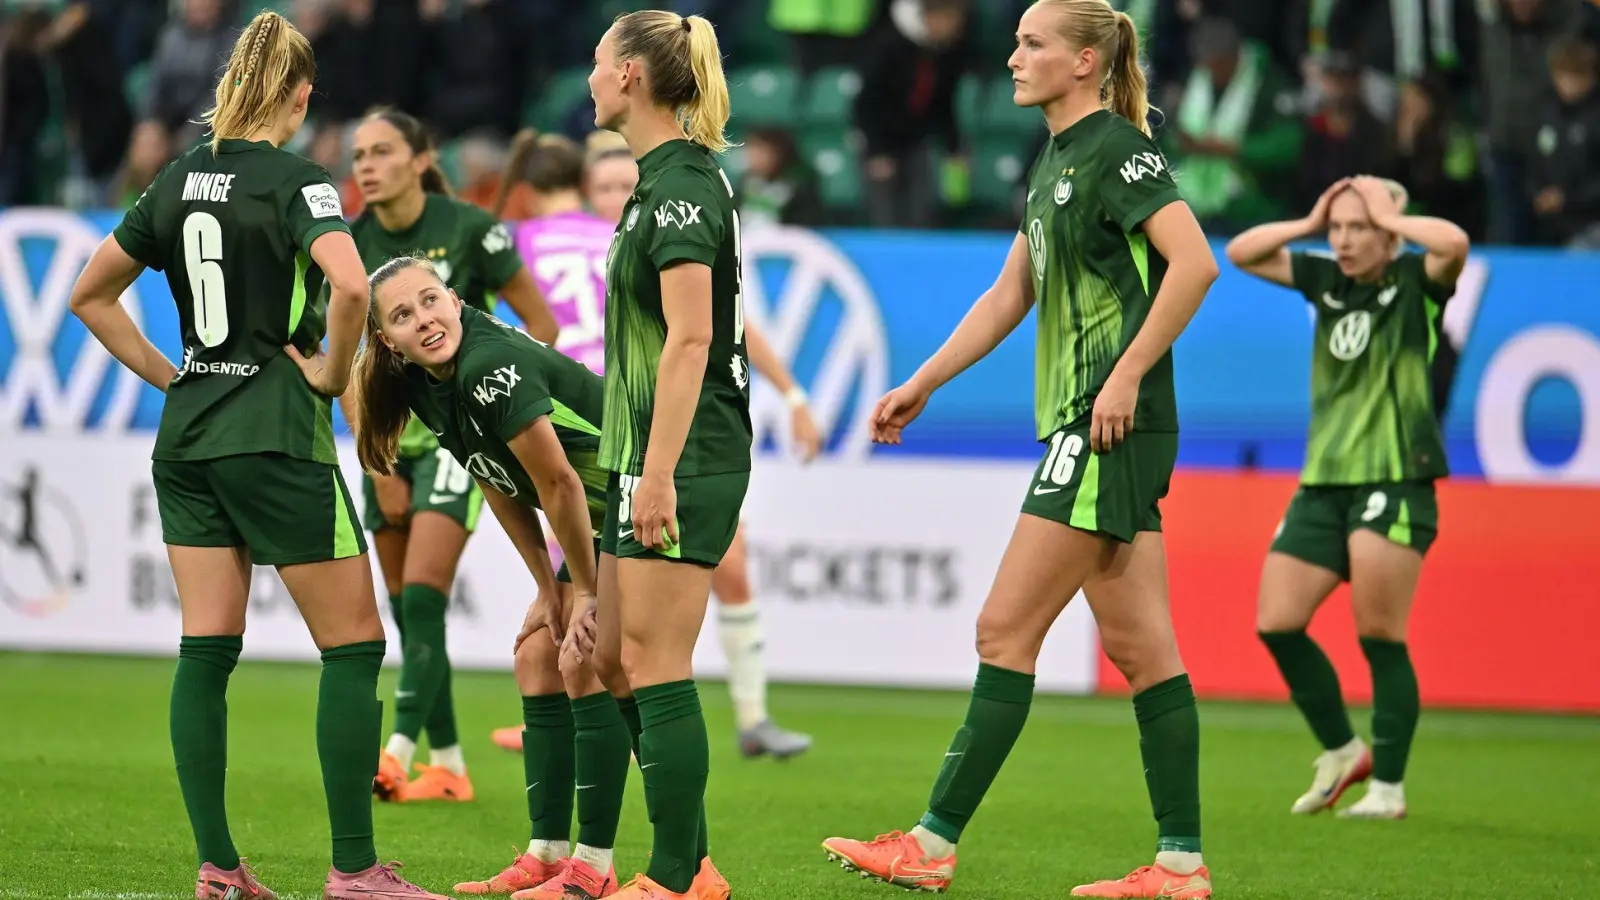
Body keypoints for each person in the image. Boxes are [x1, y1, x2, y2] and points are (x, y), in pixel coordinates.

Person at [820, 2, 1220, 897]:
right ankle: (1180, 865)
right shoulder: (1057, 160)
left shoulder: (1118, 150)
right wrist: (925, 380)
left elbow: (1194, 262)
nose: (1012, 57)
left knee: (1004, 629)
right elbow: (1011, 294)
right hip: (1101, 422)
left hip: (1105, 423)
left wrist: (1124, 377)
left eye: (1032, 44)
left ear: (1084, 60)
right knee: (1145, 650)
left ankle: (931, 842)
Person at [65, 12, 445, 900]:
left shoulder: (176, 179)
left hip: (189, 434)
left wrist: (174, 377)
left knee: (206, 648)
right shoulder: (299, 181)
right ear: (305, 96)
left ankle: (219, 868)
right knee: (353, 647)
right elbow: (352, 283)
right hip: (275, 431)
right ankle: (355, 870)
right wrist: (327, 367)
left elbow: (91, 294)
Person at [487, 128, 818, 761]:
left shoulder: (663, 239)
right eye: (604, 187)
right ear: (587, 194)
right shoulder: (591, 250)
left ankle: (750, 717)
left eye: (624, 185)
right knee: (585, 605)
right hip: (592, 435)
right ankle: (566, 718)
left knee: (717, 577)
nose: (616, 195)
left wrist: (794, 396)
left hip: (669, 433)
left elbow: (723, 327)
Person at [564, 10, 749, 900]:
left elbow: (690, 342)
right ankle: (696, 859)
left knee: (655, 659)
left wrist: (661, 472)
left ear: (633, 75)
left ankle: (675, 877)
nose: (590, 77)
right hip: (638, 449)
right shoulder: (654, 182)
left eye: (599, 62)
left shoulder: (681, 187)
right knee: (612, 660)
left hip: (686, 451)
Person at [1225, 175, 1468, 820]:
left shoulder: (1418, 284)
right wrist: (1309, 220)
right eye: (1339, 229)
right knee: (1276, 621)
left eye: (1358, 228)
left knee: (1379, 633)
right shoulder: (1325, 280)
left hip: (1395, 476)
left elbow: (1454, 242)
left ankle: (1387, 788)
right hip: (1323, 482)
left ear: (1389, 231)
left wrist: (1393, 218)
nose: (1345, 240)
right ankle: (1342, 749)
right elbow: (1241, 252)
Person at [343, 106, 557, 804]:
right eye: (358, 156)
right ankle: (453, 767)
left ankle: (399, 749)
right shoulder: (348, 245)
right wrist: (375, 460)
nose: (366, 167)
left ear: (421, 155)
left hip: (454, 438)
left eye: (381, 152)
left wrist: (505, 402)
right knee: (408, 609)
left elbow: (543, 323)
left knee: (427, 595)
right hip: (388, 446)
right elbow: (346, 358)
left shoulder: (472, 229)